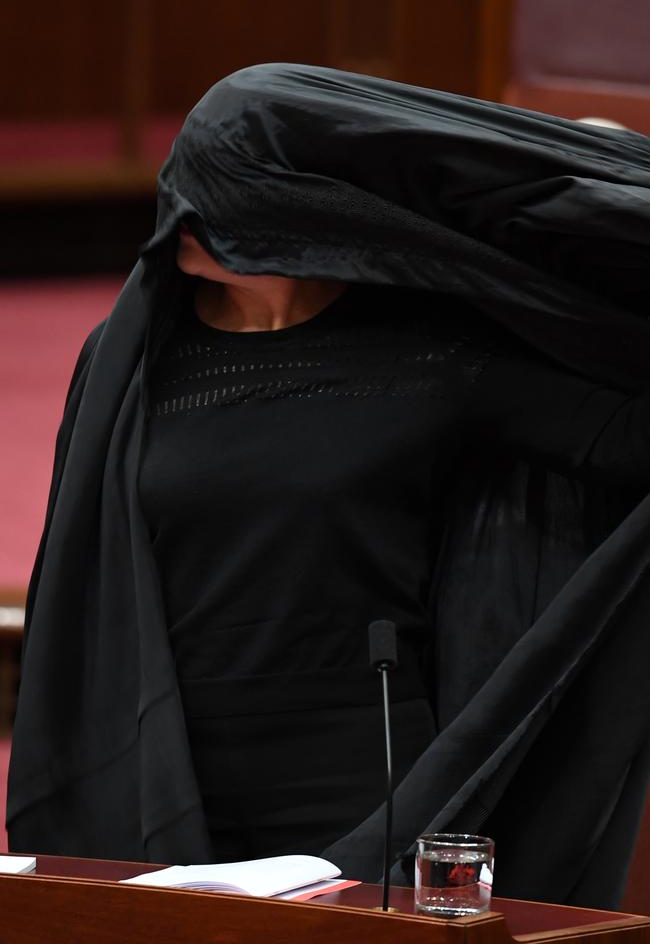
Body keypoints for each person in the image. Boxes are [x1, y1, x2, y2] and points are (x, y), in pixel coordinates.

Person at [7, 64, 650, 909]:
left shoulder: (433, 352)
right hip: (158, 765)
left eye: (218, 194)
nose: (180, 216)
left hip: (368, 786)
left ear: (302, 208)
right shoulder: (130, 357)